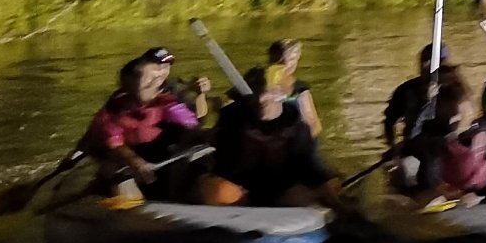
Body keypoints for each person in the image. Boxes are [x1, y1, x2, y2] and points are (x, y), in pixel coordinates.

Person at [86, 47, 211, 199]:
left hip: (157, 155)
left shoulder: (167, 103)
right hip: (126, 158)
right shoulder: (114, 108)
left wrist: (201, 96)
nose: (157, 82)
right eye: (149, 80)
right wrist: (134, 161)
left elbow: (195, 122)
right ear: (128, 84)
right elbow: (114, 142)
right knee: (113, 167)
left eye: (164, 70)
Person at [202, 73, 339, 208]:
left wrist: (327, 183)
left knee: (313, 194)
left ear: (281, 94)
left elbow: (310, 165)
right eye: (255, 92)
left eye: (267, 92)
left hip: (281, 190)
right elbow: (221, 161)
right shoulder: (232, 117)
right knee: (215, 189)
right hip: (239, 189)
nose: (260, 98)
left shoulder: (297, 126)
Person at [399, 78, 486, 206]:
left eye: (466, 118)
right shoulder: (433, 141)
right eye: (456, 117)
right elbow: (413, 137)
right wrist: (426, 105)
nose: (458, 121)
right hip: (439, 184)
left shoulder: (478, 130)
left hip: (469, 185)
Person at [382, 44, 452, 150]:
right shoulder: (406, 90)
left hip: (445, 147)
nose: (425, 65)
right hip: (415, 147)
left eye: (432, 61)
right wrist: (394, 148)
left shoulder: (451, 89)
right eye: (424, 60)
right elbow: (389, 121)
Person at [266, 38, 321, 137]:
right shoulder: (255, 82)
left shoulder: (299, 89)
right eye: (291, 59)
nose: (292, 64)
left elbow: (314, 125)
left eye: (294, 59)